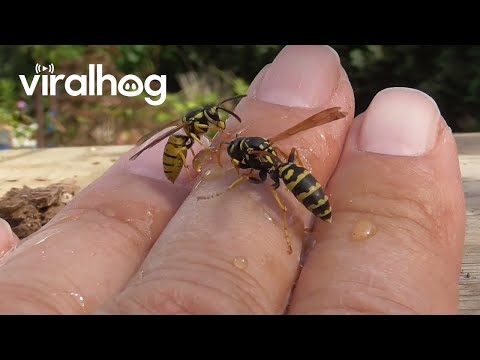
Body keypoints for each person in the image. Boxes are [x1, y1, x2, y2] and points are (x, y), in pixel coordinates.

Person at [0, 45, 465, 314]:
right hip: (272, 171)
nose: (224, 128)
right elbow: (236, 157)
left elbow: (252, 174)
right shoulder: (222, 143)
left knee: (277, 191)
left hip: (288, 180)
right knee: (276, 181)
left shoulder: (247, 159)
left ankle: (295, 211)